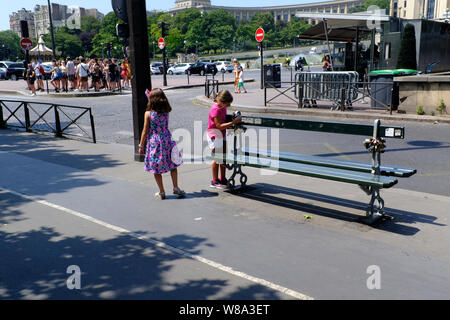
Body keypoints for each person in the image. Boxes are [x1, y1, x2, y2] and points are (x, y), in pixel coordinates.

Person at [138, 88, 185, 200]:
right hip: (167, 139)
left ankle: (162, 192)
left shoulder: (148, 114)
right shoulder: (166, 111)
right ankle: (176, 187)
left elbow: (145, 131)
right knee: (173, 164)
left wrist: (141, 145)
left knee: (156, 167)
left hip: (155, 141)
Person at [207, 90, 241, 189]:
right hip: (215, 135)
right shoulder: (215, 109)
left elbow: (223, 120)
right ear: (222, 102)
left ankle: (223, 178)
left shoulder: (222, 107)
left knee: (223, 157)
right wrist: (234, 122)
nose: (229, 106)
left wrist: (232, 118)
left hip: (221, 134)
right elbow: (219, 126)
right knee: (217, 158)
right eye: (228, 104)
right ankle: (214, 180)